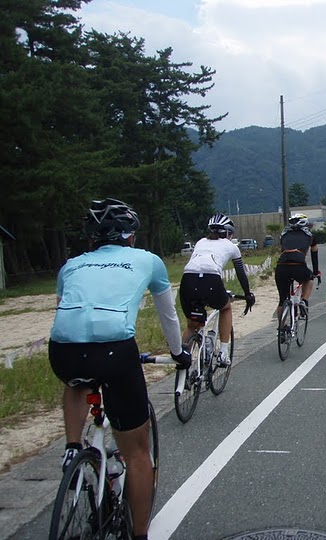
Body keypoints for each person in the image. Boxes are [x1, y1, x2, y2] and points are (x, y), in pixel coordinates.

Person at [48, 198, 192, 540]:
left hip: (63, 351)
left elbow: (65, 313)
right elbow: (169, 315)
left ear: (91, 238)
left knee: (77, 383)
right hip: (115, 351)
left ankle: (72, 450)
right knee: (138, 453)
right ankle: (139, 534)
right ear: (130, 236)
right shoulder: (148, 261)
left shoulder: (71, 265)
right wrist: (178, 353)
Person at [179, 213, 255, 367]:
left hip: (187, 280)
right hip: (211, 279)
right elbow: (241, 273)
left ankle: (183, 364)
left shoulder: (200, 242)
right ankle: (223, 353)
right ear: (227, 233)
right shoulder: (231, 246)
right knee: (225, 307)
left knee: (192, 325)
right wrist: (247, 294)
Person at [274, 213, 320, 325]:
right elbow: (314, 254)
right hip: (298, 265)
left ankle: (281, 328)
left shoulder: (284, 235)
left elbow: (282, 250)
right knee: (309, 279)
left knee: (282, 300)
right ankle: (303, 301)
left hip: (281, 266)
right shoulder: (310, 236)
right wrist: (315, 272)